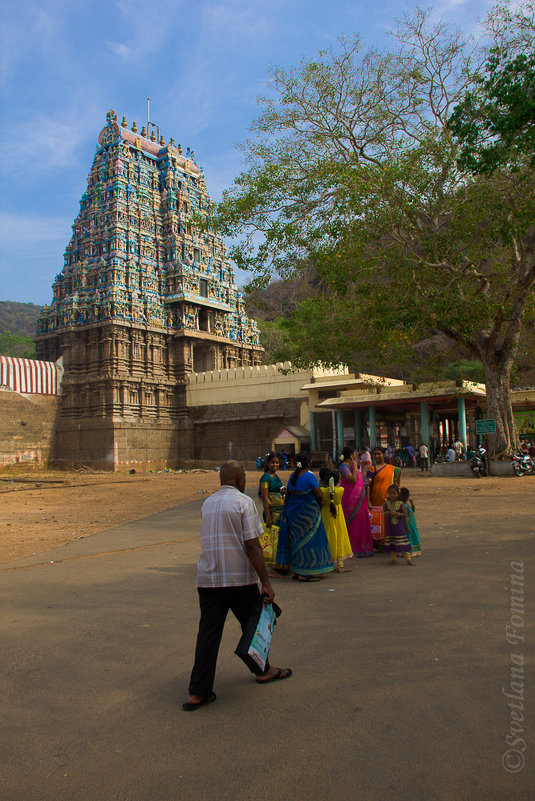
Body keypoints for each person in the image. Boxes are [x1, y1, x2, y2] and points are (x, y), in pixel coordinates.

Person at [183, 461, 292, 711]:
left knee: (208, 634)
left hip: (209, 580)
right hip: (239, 580)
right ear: (241, 479)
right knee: (254, 626)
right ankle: (263, 670)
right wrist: (265, 581)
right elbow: (252, 545)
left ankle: (198, 692)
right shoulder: (244, 503)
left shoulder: (207, 503)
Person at [276, 452, 334, 582]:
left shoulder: (293, 476)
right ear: (308, 463)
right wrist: (322, 504)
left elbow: (290, 493)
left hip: (293, 514)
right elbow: (318, 495)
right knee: (310, 542)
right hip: (308, 515)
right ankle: (307, 573)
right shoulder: (309, 476)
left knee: (297, 541)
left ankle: (297, 570)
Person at [339, 446, 374, 557]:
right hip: (350, 500)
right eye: (355, 453)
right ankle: (352, 548)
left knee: (361, 522)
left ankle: (363, 547)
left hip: (360, 499)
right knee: (352, 523)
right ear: (350, 455)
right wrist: (354, 467)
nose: (356, 455)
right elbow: (353, 480)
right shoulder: (344, 466)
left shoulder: (353, 465)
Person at [319, 467, 353, 572]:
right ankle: (340, 564)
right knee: (339, 537)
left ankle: (324, 562)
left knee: (327, 537)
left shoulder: (322, 491)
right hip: (338, 516)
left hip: (325, 516)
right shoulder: (340, 490)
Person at [383, 484, 412, 566]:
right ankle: (393, 559)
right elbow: (383, 512)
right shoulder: (386, 503)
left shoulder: (400, 503)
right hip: (390, 526)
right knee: (392, 542)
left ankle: (408, 559)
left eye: (394, 493)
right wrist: (387, 513)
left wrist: (398, 513)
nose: (392, 495)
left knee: (403, 542)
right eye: (390, 493)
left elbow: (405, 514)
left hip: (398, 526)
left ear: (398, 494)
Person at [258, 452, 285, 528]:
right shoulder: (265, 478)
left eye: (277, 462)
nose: (275, 464)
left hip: (280, 513)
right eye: (272, 462)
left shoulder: (276, 476)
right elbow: (264, 498)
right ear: (267, 463)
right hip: (273, 514)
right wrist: (268, 517)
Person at [399, 487, 422, 557]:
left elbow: (412, 510)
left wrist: (412, 504)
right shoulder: (404, 506)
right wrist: (407, 526)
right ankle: (408, 551)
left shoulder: (406, 504)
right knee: (409, 537)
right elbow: (405, 517)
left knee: (412, 536)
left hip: (411, 525)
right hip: (408, 525)